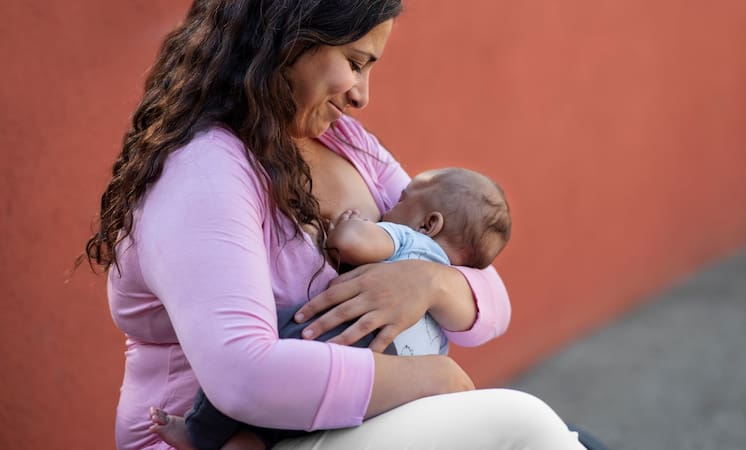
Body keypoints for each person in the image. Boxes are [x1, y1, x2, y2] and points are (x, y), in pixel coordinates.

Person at [85, 1, 587, 449]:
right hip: (233, 436)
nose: (362, 96)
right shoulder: (204, 173)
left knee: (563, 438)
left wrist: (428, 281)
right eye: (354, 62)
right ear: (288, 40)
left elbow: (482, 283)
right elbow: (244, 377)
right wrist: (435, 377)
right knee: (520, 423)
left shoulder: (348, 143)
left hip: (344, 421)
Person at [148, 167, 513, 449]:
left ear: (429, 223)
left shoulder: (410, 242)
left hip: (347, 339)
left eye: (401, 201)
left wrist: (350, 225)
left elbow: (352, 242)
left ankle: (198, 431)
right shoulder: (451, 283)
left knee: (270, 333)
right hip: (393, 381)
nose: (389, 206)